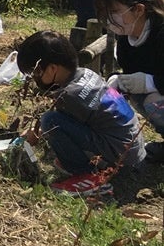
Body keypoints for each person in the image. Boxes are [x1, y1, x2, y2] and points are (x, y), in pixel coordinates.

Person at [17, 29, 145, 195]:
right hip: (133, 146)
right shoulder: (86, 73)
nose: (35, 78)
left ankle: (87, 175)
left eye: (36, 72)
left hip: (123, 154)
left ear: (53, 68)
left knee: (50, 121)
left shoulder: (68, 95)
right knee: (54, 122)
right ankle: (91, 163)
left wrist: (37, 135)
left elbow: (58, 127)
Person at [95, 0, 164, 163]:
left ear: (139, 10)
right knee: (140, 97)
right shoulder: (126, 39)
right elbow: (131, 73)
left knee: (153, 101)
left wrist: (149, 82)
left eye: (114, 11)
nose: (109, 18)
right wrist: (116, 79)